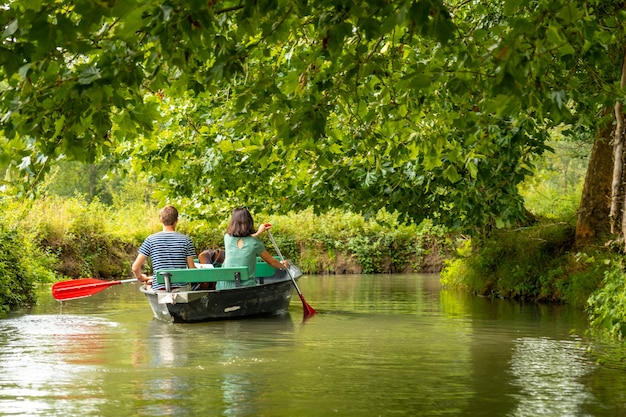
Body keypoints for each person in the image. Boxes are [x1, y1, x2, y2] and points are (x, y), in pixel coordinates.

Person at [132, 205, 196, 291]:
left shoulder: (151, 240)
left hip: (160, 289)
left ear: (161, 220)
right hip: (181, 289)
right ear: (176, 221)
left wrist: (141, 278)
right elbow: (192, 270)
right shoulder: (186, 240)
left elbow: (135, 268)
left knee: (148, 284)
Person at [221, 207, 288, 289]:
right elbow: (272, 262)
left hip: (224, 286)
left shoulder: (227, 238)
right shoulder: (255, 243)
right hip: (246, 287)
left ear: (233, 223)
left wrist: (258, 233)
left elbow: (243, 239)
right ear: (249, 222)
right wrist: (283, 266)